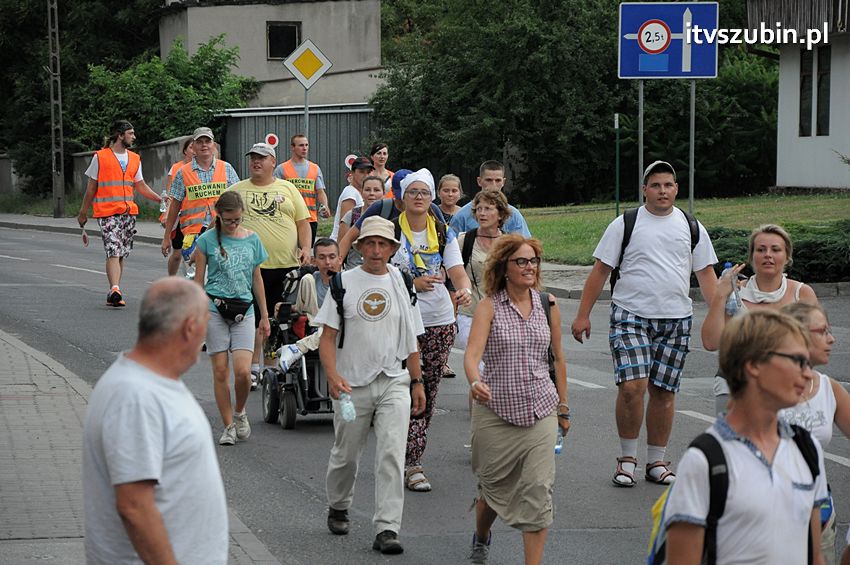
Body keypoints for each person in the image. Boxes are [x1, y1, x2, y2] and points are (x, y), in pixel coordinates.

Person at [570, 160, 718, 488]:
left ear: (677, 189)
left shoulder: (691, 226)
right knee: (632, 387)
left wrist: (719, 313)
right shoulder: (626, 223)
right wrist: (582, 314)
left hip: (676, 318)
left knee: (663, 392)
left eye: (668, 185)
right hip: (631, 314)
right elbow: (600, 270)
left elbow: (706, 274)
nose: (662, 191)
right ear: (644, 190)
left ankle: (656, 461)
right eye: (655, 185)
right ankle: (627, 459)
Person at [663, 310, 826, 565]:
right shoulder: (706, 460)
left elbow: (815, 556)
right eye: (797, 360)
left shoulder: (807, 449)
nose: (807, 373)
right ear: (754, 364)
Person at [82, 277, 227, 564]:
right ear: (189, 328)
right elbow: (134, 505)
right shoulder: (134, 396)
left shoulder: (152, 383)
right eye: (205, 323)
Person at [315, 216, 427, 555]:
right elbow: (328, 337)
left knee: (392, 454)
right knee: (346, 455)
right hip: (352, 383)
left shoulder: (402, 281)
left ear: (393, 249)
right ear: (360, 247)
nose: (376, 250)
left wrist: (417, 380)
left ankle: (387, 528)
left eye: (383, 244)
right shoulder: (343, 283)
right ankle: (338, 504)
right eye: (370, 244)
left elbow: (412, 339)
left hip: (394, 379)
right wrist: (333, 377)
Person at [463, 234, 569, 565]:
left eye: (533, 261)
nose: (529, 267)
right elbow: (471, 355)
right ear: (505, 267)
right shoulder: (488, 306)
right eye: (520, 261)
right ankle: (481, 537)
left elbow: (558, 359)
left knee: (538, 490)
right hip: (495, 411)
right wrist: (475, 381)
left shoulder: (548, 304)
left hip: (541, 409)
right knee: (493, 490)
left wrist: (563, 408)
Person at [388, 168, 473, 492]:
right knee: (401, 389)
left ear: (431, 198)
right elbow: (380, 270)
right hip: (399, 320)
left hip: (438, 320)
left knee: (428, 391)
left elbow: (455, 270)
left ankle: (413, 462)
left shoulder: (442, 230)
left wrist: (463, 289)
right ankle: (396, 453)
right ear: (402, 199)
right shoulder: (392, 230)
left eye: (425, 193)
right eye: (413, 192)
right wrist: (412, 281)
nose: (420, 197)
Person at [701, 224, 819, 414]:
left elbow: (818, 344)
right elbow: (711, 342)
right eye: (761, 250)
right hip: (735, 388)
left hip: (788, 388)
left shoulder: (802, 293)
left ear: (787, 256)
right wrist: (720, 297)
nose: (768, 255)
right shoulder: (734, 295)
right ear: (752, 256)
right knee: (735, 443)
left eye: (776, 249)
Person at [229, 142, 311, 386]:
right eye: (253, 157)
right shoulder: (236, 190)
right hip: (249, 269)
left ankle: (271, 369)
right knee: (253, 317)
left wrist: (306, 248)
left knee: (278, 318)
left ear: (273, 162)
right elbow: (220, 223)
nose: (256, 162)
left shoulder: (288, 189)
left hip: (285, 267)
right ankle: (253, 367)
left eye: (262, 158)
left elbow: (303, 223)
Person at [193, 191, 271, 445]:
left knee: (243, 372)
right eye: (228, 220)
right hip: (215, 309)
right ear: (219, 215)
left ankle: (240, 412)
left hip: (244, 311)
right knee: (219, 371)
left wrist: (264, 315)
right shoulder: (206, 241)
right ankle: (228, 426)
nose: (233, 224)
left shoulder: (252, 240)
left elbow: (256, 278)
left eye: (237, 220)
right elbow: (199, 280)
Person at [779, 303, 849, 565]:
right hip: (768, 513)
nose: (831, 339)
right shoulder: (764, 389)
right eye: (822, 331)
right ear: (796, 336)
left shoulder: (828, 389)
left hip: (818, 509)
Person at [77, 119, 162, 307]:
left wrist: (159, 199)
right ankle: (115, 288)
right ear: (119, 135)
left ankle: (114, 290)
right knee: (113, 250)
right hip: (107, 213)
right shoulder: (100, 157)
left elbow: (140, 185)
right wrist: (83, 212)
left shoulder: (134, 158)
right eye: (131, 133)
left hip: (128, 213)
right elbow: (91, 188)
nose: (134, 137)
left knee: (121, 252)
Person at [159, 127, 240, 275]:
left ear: (213, 145)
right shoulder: (183, 172)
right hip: (192, 234)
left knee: (220, 276)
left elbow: (238, 201)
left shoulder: (226, 168)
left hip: (222, 231)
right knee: (195, 278)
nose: (204, 145)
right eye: (200, 142)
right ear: (193, 147)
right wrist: (166, 237)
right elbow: (175, 206)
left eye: (207, 141)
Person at [455, 189, 511, 350]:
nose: (482, 213)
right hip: (470, 314)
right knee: (478, 366)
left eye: (488, 209)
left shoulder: (510, 243)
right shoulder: (464, 240)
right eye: (479, 209)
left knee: (500, 367)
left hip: (503, 316)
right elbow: (449, 272)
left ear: (500, 214)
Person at [273, 133, 331, 244]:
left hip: (310, 218)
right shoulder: (282, 169)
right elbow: (275, 193)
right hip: (290, 218)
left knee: (306, 253)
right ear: (292, 147)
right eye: (301, 145)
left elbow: (320, 192)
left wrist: (325, 206)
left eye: (306, 145)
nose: (304, 148)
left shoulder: (315, 168)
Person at [448, 161, 531, 237]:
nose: (493, 185)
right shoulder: (462, 216)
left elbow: (524, 246)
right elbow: (451, 248)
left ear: (503, 182)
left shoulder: (514, 215)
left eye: (498, 180)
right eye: (489, 180)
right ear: (479, 181)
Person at [161, 138, 195, 276]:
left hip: (195, 217)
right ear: (185, 151)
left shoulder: (202, 169)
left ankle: (193, 283)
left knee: (193, 252)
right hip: (179, 216)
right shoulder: (176, 168)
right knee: (177, 254)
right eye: (191, 147)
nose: (194, 150)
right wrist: (167, 214)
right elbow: (171, 195)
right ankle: (172, 280)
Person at [339, 175, 386, 268]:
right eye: (367, 190)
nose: (371, 193)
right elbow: (340, 248)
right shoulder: (351, 216)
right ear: (361, 192)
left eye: (376, 190)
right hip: (353, 271)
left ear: (384, 193)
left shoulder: (388, 215)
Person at [330, 156, 373, 240]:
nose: (366, 175)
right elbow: (346, 227)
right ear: (352, 173)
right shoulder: (350, 194)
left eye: (368, 172)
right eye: (361, 172)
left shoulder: (360, 193)